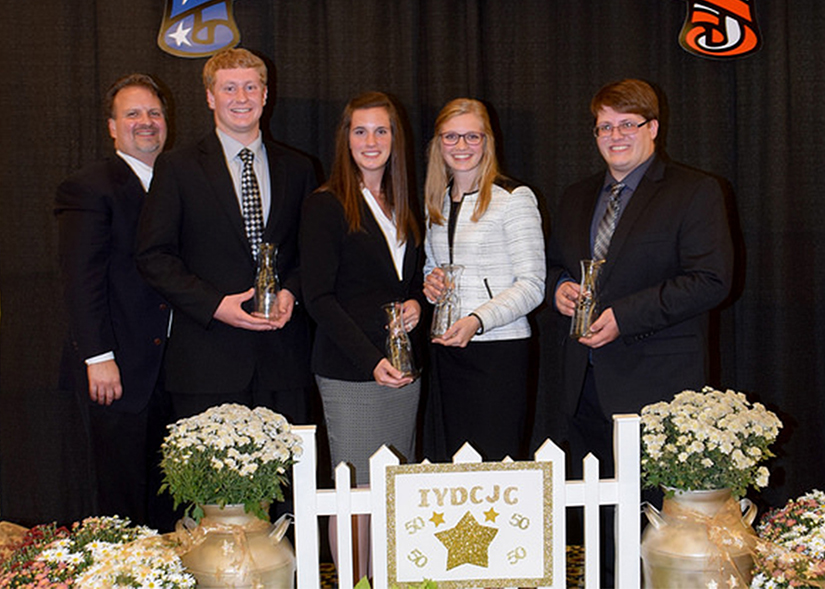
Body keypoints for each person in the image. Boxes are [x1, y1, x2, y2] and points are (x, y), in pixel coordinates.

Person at [547, 78, 734, 585]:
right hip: (582, 385)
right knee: (599, 520)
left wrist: (625, 317)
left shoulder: (694, 190)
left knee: (653, 525)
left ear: (653, 128)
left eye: (627, 124)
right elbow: (556, 266)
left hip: (657, 387)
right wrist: (560, 287)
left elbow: (711, 280)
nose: (615, 135)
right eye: (605, 126)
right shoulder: (575, 196)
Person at [136, 48, 317, 424]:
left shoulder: (299, 168)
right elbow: (154, 256)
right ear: (209, 96)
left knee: (284, 482)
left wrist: (291, 293)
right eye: (229, 88)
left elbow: (312, 252)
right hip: (206, 363)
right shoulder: (177, 167)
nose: (241, 98)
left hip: (283, 363)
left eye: (251, 87)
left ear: (265, 95)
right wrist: (215, 305)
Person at [300, 92, 423, 581]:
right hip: (353, 371)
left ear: (396, 139)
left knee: (391, 488)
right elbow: (319, 298)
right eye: (360, 131)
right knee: (354, 492)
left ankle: (385, 579)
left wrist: (418, 302)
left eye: (381, 131)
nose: (371, 142)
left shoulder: (405, 204)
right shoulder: (326, 204)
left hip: (405, 370)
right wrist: (372, 360)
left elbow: (406, 283)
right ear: (345, 139)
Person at [55, 73, 173, 528]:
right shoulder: (90, 187)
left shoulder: (180, 181)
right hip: (118, 371)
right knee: (122, 506)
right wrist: (98, 357)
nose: (146, 122)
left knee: (170, 502)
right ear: (112, 126)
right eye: (133, 114)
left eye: (154, 113)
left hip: (174, 373)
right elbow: (79, 280)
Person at [423, 98, 545, 462]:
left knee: (495, 466)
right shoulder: (438, 200)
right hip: (448, 353)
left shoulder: (514, 198)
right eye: (451, 137)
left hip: (498, 355)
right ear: (438, 143)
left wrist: (477, 321)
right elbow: (434, 269)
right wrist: (431, 286)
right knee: (453, 466)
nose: (461, 146)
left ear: (487, 141)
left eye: (472, 136)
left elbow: (533, 284)